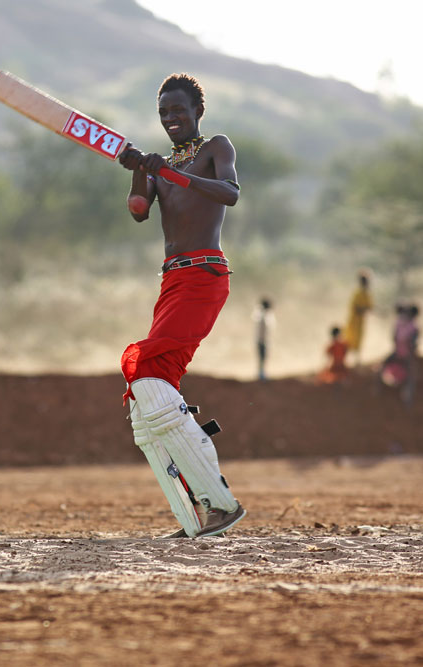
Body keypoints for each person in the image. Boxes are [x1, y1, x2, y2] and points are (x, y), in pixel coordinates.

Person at [116, 73, 246, 539]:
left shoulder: (216, 147)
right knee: (151, 394)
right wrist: (138, 167)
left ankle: (221, 503)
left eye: (178, 110)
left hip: (204, 275)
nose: (170, 118)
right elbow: (138, 209)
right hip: (172, 280)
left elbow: (230, 192)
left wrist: (168, 173)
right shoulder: (159, 165)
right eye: (163, 113)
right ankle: (198, 509)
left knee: (149, 372)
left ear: (197, 112)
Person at [379, 303, 420, 405]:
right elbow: (413, 344)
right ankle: (407, 397)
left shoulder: (399, 324)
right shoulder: (414, 327)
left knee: (382, 366)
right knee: (411, 375)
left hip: (397, 352)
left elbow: (393, 338)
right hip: (406, 354)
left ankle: (377, 388)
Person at [342, 271, 373, 366]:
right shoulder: (357, 293)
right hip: (354, 320)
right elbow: (356, 307)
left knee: (359, 340)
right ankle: (344, 360)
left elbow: (370, 307)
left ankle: (357, 360)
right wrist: (364, 309)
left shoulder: (367, 294)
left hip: (361, 321)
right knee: (350, 339)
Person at [252, 297, 275, 381]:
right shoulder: (263, 316)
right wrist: (264, 341)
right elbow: (263, 331)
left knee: (262, 358)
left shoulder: (260, 315)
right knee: (262, 358)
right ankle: (261, 374)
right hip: (262, 341)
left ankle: (261, 373)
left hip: (260, 340)